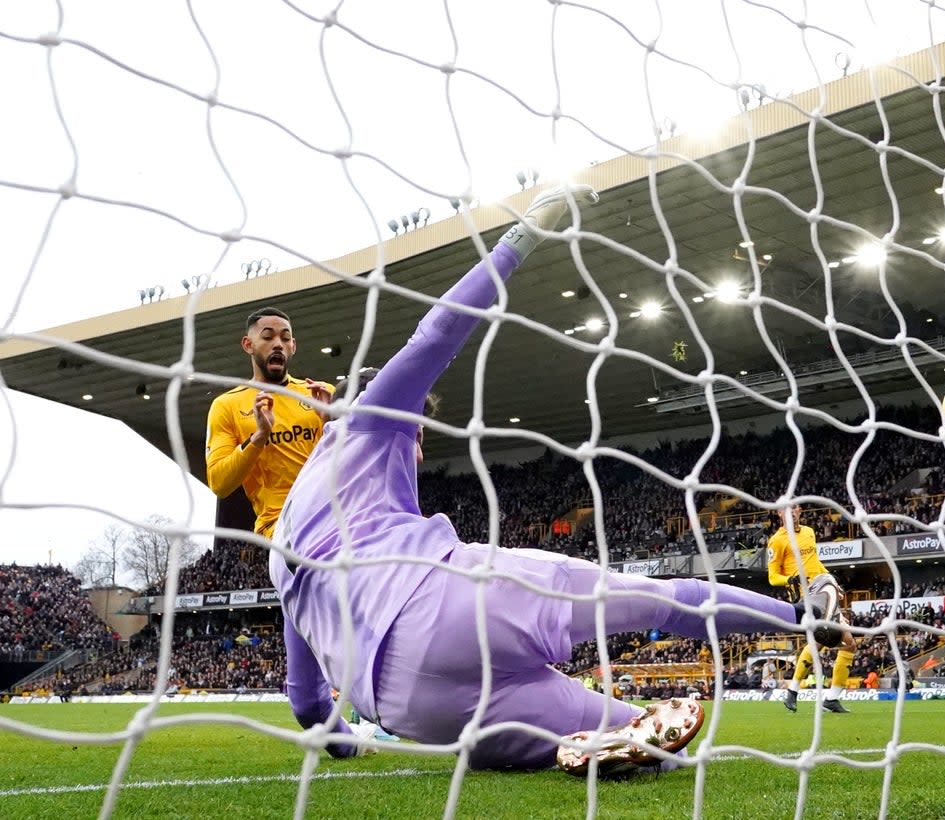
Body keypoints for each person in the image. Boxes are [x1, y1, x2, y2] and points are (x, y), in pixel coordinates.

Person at [270, 186, 808, 774]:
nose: (419, 445)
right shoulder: (371, 422)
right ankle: (808, 620)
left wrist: (349, 745)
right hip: (443, 602)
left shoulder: (282, 548)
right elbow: (435, 335)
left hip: (412, 708)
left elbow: (306, 702)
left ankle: (585, 743)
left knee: (650, 747)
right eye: (420, 428)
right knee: (660, 600)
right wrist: (520, 239)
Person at [205, 307, 332, 538]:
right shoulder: (227, 405)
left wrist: (332, 424)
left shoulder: (322, 396)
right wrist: (259, 438)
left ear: (293, 346)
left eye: (285, 338)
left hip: (333, 513)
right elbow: (219, 483)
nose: (278, 344)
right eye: (268, 337)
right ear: (247, 344)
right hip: (281, 527)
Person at [767, 505, 857, 714]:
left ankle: (806, 693)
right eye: (786, 509)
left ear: (799, 511)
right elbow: (772, 577)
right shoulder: (777, 541)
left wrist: (833, 584)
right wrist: (790, 579)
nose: (791, 512)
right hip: (806, 597)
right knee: (839, 642)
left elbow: (815, 564)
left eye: (795, 508)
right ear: (779, 513)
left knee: (845, 644)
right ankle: (814, 695)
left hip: (823, 591)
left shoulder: (809, 532)